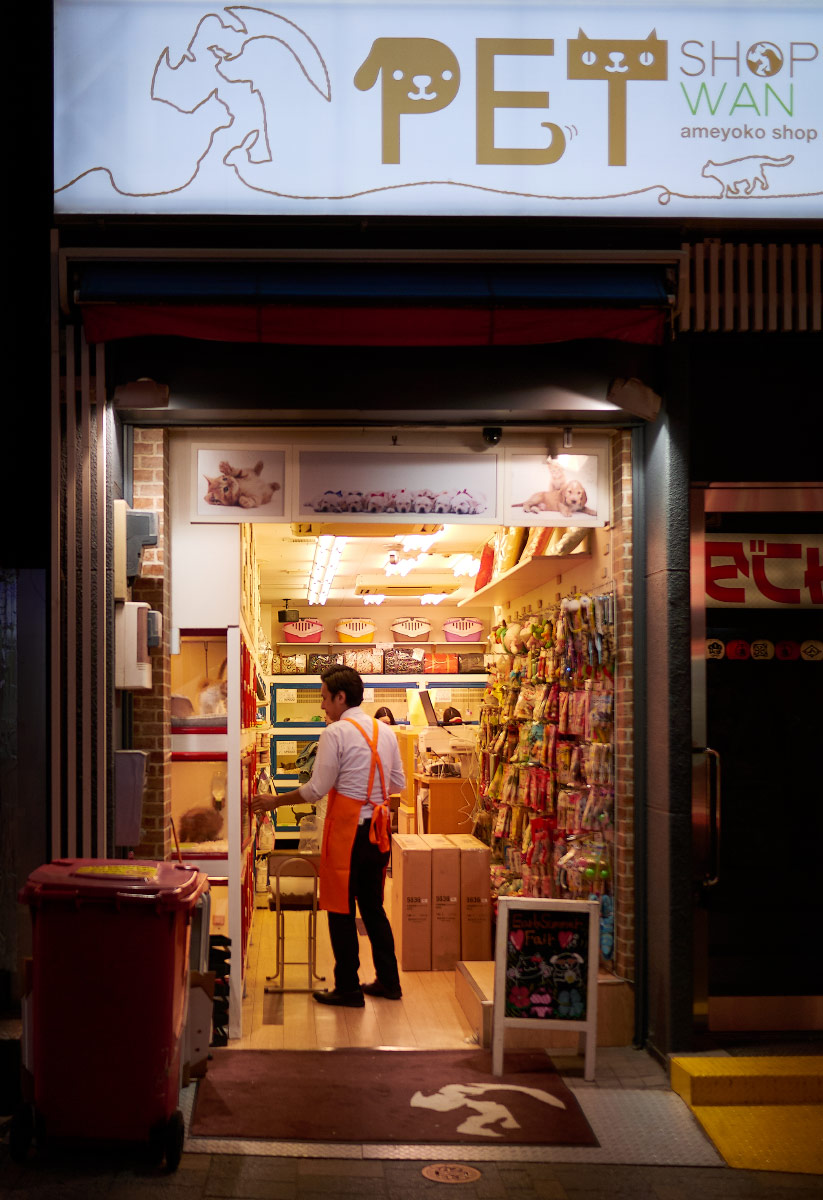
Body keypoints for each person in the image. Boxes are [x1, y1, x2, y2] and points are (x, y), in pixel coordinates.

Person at [252, 666, 405, 1008]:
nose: (322, 707)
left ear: (340, 697)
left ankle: (348, 987)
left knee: (339, 909)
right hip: (379, 831)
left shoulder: (335, 734)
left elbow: (315, 790)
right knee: (373, 908)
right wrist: (370, 793)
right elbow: (398, 785)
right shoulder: (386, 732)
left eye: (324, 698)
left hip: (348, 832)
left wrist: (275, 800)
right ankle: (390, 981)